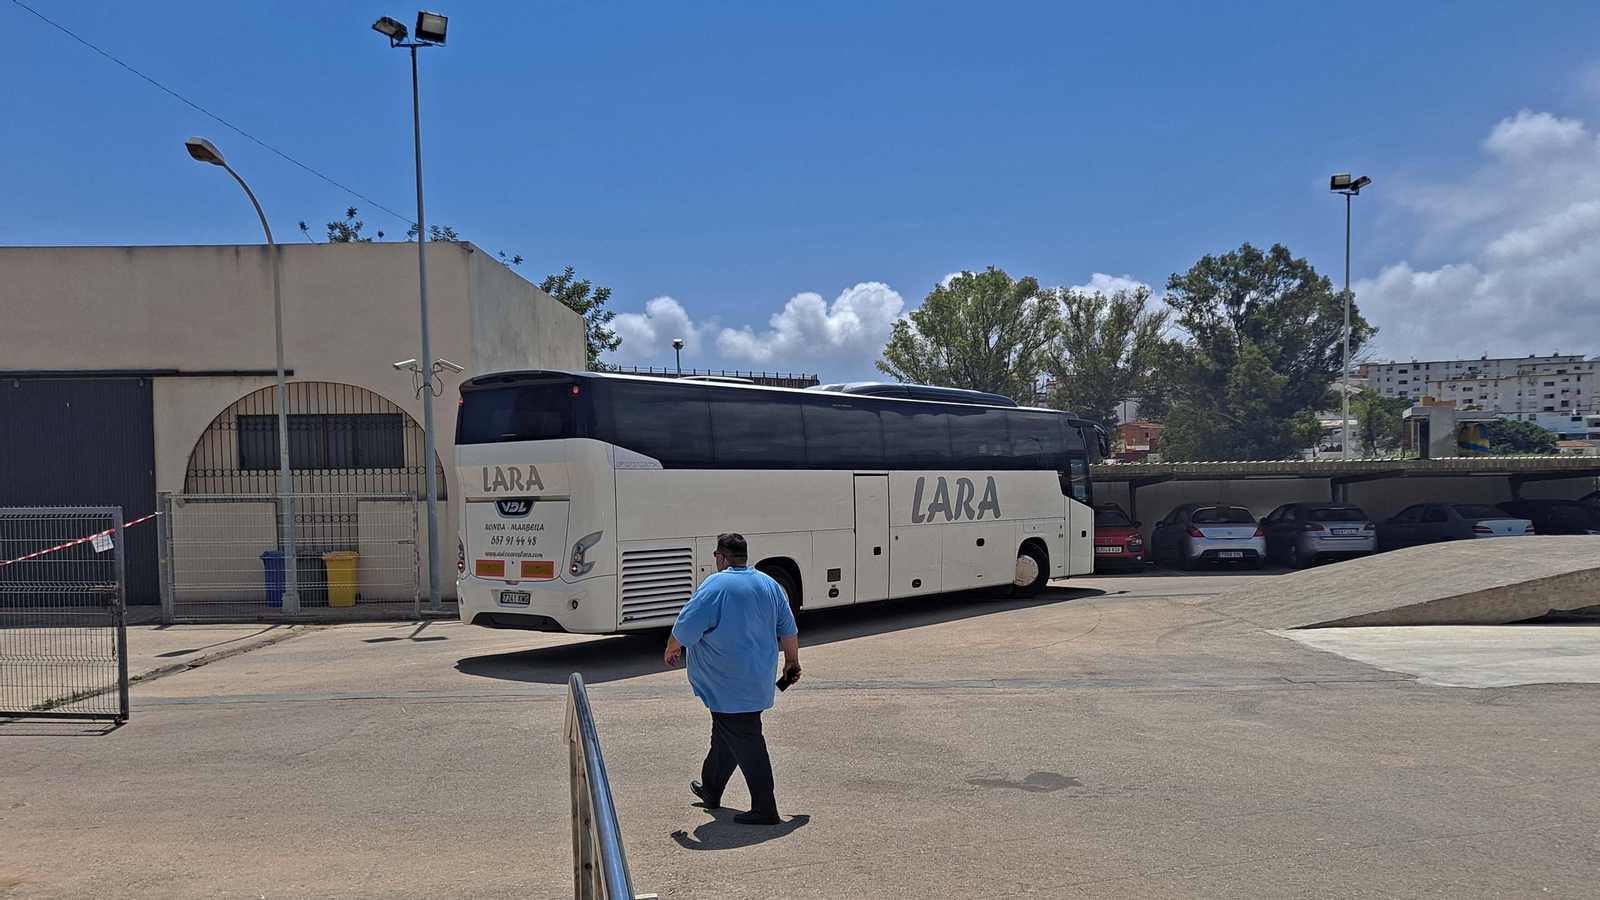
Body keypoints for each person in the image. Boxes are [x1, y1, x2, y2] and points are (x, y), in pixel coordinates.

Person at [664, 532, 801, 825]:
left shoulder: (716, 584)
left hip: (728, 682)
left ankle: (765, 809)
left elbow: (687, 625)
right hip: (756, 678)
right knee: (725, 736)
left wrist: (672, 647)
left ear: (720, 557)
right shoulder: (769, 583)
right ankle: (711, 790)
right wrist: (792, 661)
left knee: (747, 740)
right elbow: (787, 628)